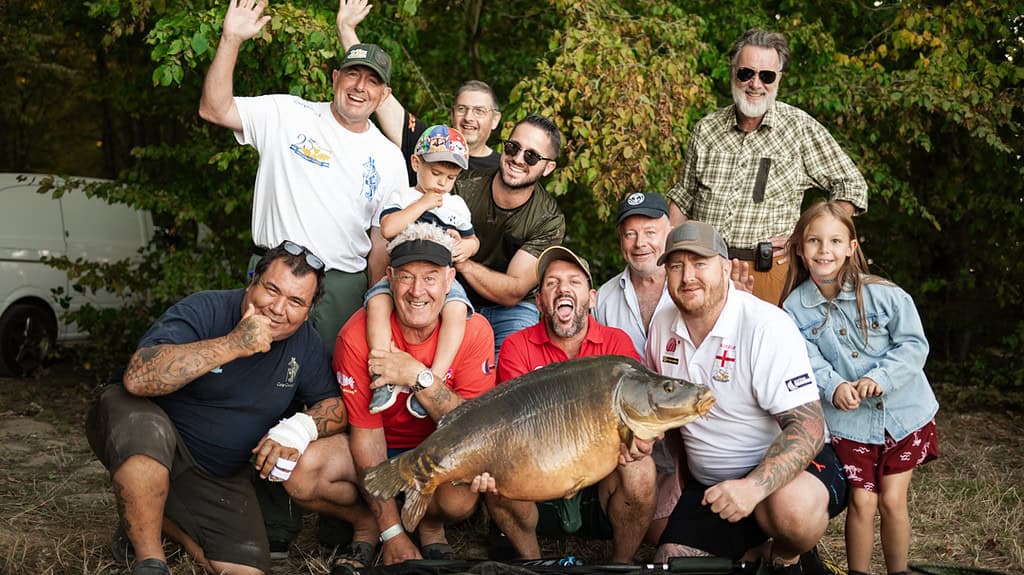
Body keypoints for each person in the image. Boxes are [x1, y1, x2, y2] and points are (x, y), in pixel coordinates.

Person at [85, 242, 351, 575]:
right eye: (271, 289)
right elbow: (138, 378)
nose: (278, 308)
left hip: (215, 472)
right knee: (146, 428)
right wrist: (234, 344)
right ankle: (149, 560)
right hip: (150, 437)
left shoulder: (305, 343)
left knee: (247, 569)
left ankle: (152, 519)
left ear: (309, 309)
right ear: (252, 281)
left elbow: (336, 405)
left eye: (296, 301)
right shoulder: (206, 308)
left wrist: (299, 429)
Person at [284, 223, 496, 568]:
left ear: (449, 279)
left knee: (462, 495)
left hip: (435, 449)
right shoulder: (357, 334)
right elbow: (367, 436)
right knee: (300, 472)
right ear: (390, 277)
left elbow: (473, 426)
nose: (417, 290)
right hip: (376, 446)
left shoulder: (474, 330)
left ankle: (430, 524)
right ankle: (370, 522)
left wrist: (419, 377)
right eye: (407, 277)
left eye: (430, 277)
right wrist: (391, 530)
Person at [199, 0, 407, 350]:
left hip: (341, 287)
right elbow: (214, 108)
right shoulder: (287, 113)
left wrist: (376, 303)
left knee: (325, 384)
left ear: (383, 95)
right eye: (353, 74)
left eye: (372, 81)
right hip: (273, 275)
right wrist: (231, 38)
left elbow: (380, 242)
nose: (360, 87)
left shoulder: (389, 157)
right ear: (335, 77)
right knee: (252, 365)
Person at [642, 221, 847, 575]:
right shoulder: (662, 325)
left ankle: (787, 558)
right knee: (671, 561)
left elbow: (810, 426)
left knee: (791, 511)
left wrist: (752, 489)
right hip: (715, 489)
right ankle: (751, 545)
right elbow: (661, 409)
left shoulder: (765, 325)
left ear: (725, 267)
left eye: (699, 263)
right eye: (676, 266)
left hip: (785, 476)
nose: (687, 276)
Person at [780, 201, 939, 575]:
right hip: (850, 424)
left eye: (835, 241)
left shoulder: (885, 295)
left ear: (851, 246)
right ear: (800, 248)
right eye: (814, 241)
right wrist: (833, 385)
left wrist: (878, 379)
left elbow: (914, 345)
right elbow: (806, 360)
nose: (824, 250)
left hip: (903, 416)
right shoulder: (793, 309)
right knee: (862, 503)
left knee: (892, 501)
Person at [666, 28, 868, 306]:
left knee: (766, 347)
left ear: (779, 79)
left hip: (770, 272)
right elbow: (683, 197)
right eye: (746, 73)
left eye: (767, 76)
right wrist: (668, 255)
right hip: (705, 270)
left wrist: (805, 236)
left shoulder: (799, 127)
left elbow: (852, 185)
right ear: (732, 72)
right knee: (706, 348)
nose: (755, 84)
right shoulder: (706, 129)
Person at [595, 192, 754, 543]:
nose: (640, 244)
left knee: (676, 531)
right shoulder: (604, 298)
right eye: (630, 233)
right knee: (651, 531)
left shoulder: (697, 289)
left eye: (650, 232)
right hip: (633, 438)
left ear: (670, 231)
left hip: (699, 436)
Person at [484, 245, 653, 564]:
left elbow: (641, 409)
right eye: (551, 283)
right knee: (497, 470)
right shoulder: (516, 346)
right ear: (538, 302)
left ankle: (621, 564)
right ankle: (533, 564)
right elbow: (512, 428)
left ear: (592, 298)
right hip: (538, 482)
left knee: (642, 469)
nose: (563, 288)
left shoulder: (616, 344)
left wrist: (641, 438)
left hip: (601, 486)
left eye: (574, 282)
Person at [365, 124, 478, 418]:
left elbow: (471, 238)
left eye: (450, 178)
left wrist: (467, 247)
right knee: (375, 302)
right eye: (436, 174)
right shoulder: (402, 197)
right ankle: (383, 376)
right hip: (401, 274)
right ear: (417, 164)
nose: (441, 184)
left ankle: (433, 378)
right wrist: (423, 203)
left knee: (456, 311)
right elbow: (388, 229)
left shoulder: (457, 206)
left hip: (440, 278)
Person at [337, 0, 502, 184]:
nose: (469, 118)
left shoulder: (503, 169)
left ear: (495, 119)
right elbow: (380, 98)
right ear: (452, 113)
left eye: (479, 111)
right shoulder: (430, 144)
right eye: (462, 109)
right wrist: (346, 30)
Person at [453, 114, 566, 360]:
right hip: (454, 294)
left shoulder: (548, 219)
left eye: (531, 156)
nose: (517, 159)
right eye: (513, 147)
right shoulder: (463, 188)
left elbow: (513, 290)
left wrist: (462, 262)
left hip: (511, 309)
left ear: (548, 167)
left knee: (517, 373)